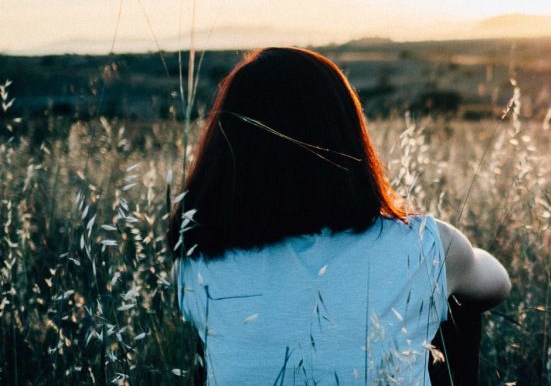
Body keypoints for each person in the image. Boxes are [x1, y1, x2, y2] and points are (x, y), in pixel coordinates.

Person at [169, 47, 510, 385]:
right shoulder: (424, 246)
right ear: (346, 135)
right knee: (453, 307)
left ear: (227, 148)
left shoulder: (197, 263)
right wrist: (456, 258)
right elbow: (496, 286)